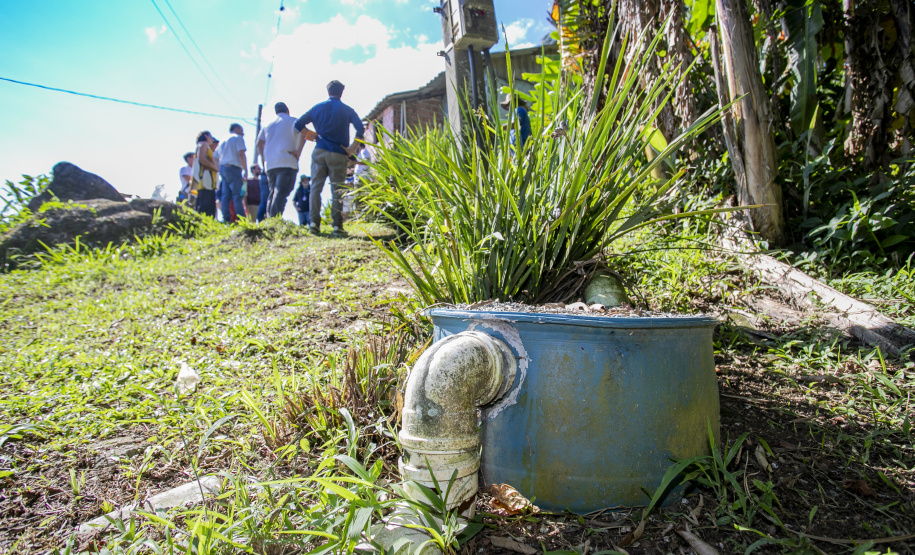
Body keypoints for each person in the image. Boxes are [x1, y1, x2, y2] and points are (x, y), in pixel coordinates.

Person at [294, 80, 364, 237]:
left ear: (328, 91)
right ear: (342, 92)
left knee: (315, 188)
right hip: (339, 152)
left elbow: (298, 124)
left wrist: (313, 136)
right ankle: (337, 226)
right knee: (337, 190)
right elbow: (360, 128)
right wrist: (352, 149)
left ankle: (313, 224)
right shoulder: (347, 110)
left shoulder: (318, 108)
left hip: (319, 151)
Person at [257, 102, 299, 219]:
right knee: (281, 192)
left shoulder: (267, 124)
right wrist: (298, 152)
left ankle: (270, 218)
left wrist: (264, 158)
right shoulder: (293, 121)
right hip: (287, 160)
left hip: (270, 163)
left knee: (272, 192)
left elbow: (259, 143)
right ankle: (274, 219)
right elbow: (304, 134)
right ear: (288, 110)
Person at [219, 123, 248, 223]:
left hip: (223, 168)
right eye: (241, 130)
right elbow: (241, 154)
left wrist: (218, 167)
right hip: (234, 168)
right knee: (237, 195)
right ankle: (241, 220)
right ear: (237, 129)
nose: (243, 133)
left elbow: (215, 156)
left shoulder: (222, 140)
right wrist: (245, 170)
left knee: (225, 195)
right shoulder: (238, 138)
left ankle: (226, 219)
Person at [192, 131, 219, 217]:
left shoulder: (206, 146)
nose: (212, 139)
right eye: (211, 136)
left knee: (209, 201)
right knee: (205, 203)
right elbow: (201, 158)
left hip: (208, 179)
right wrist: (214, 168)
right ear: (206, 136)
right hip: (205, 178)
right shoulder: (203, 144)